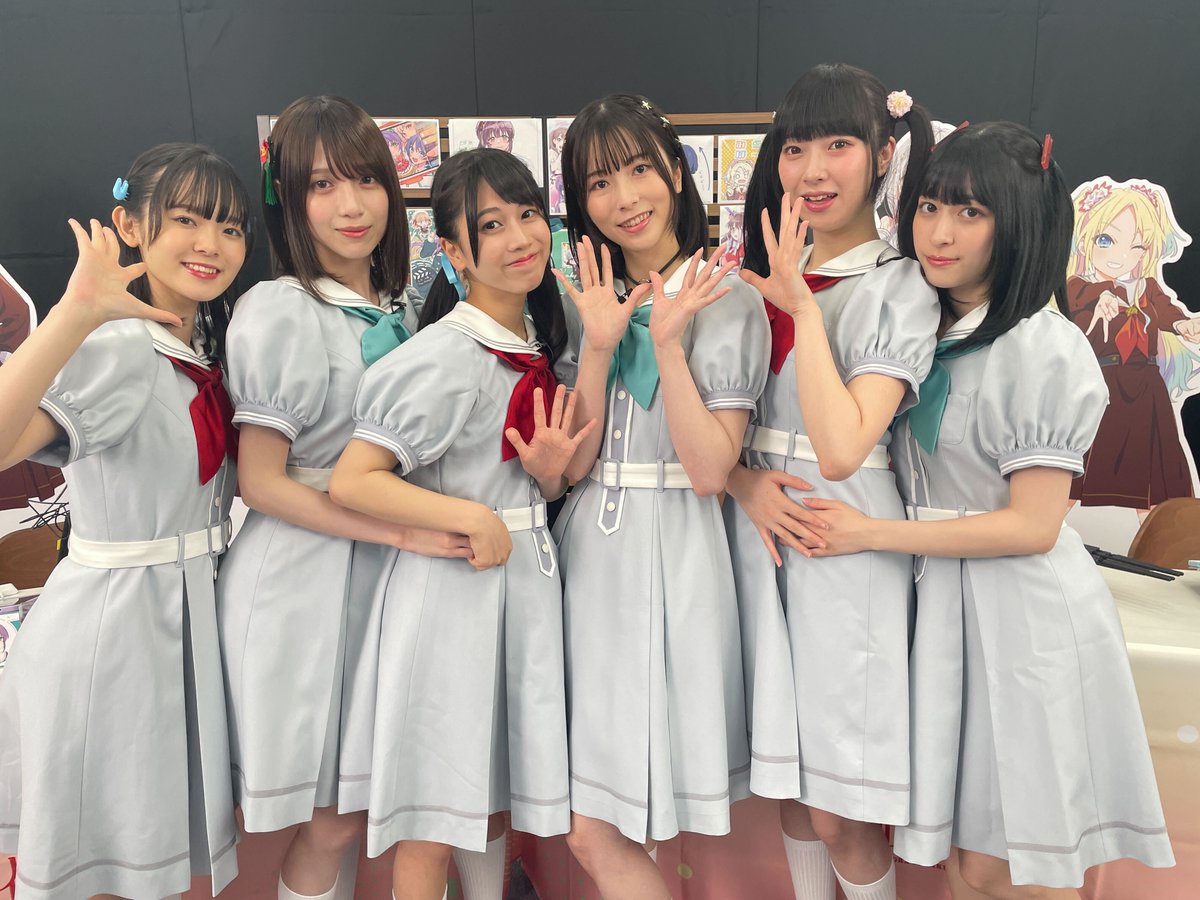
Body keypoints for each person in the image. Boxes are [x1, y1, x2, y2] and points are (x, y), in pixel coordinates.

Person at [803, 122, 1175, 898]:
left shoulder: (1041, 347)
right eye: (930, 206)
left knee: (1005, 858)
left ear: (1021, 225)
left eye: (971, 213)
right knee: (965, 857)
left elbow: (1034, 525)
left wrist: (870, 532)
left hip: (1021, 616)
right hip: (945, 609)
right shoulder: (922, 329)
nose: (939, 234)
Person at [216, 95, 470, 900]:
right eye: (322, 186)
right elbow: (261, 481)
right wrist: (400, 534)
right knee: (333, 815)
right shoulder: (282, 310)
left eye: (365, 180)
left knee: (371, 803)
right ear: (289, 202)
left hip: (382, 576)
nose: (351, 205)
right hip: (305, 582)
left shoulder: (406, 308)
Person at [329, 149, 583, 900]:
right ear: (454, 251)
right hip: (451, 602)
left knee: (489, 796)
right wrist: (469, 514)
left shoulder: (531, 343)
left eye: (528, 215)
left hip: (516, 591)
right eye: (491, 225)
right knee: (434, 814)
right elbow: (354, 479)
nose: (520, 237)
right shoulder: (444, 354)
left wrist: (547, 478)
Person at [0, 143, 251, 900]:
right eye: (187, 220)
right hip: (114, 637)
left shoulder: (199, 349)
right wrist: (74, 314)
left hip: (179, 621)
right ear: (130, 226)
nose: (211, 244)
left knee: (157, 858)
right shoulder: (116, 346)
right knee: (110, 861)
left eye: (230, 227)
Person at [725, 63, 939, 900]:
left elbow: (845, 445)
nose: (812, 170)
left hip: (844, 538)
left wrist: (803, 307)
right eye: (795, 148)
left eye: (838, 145)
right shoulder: (757, 279)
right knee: (789, 779)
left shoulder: (902, 285)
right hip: (762, 538)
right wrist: (743, 484)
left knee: (841, 803)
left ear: (884, 155)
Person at [552, 93, 769, 900]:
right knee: (585, 813)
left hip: (677, 550)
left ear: (677, 173)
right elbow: (573, 464)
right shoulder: (587, 295)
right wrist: (599, 344)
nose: (625, 198)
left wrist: (669, 345)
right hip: (590, 556)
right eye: (600, 182)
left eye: (639, 169)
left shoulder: (729, 299)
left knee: (610, 816)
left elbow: (711, 470)